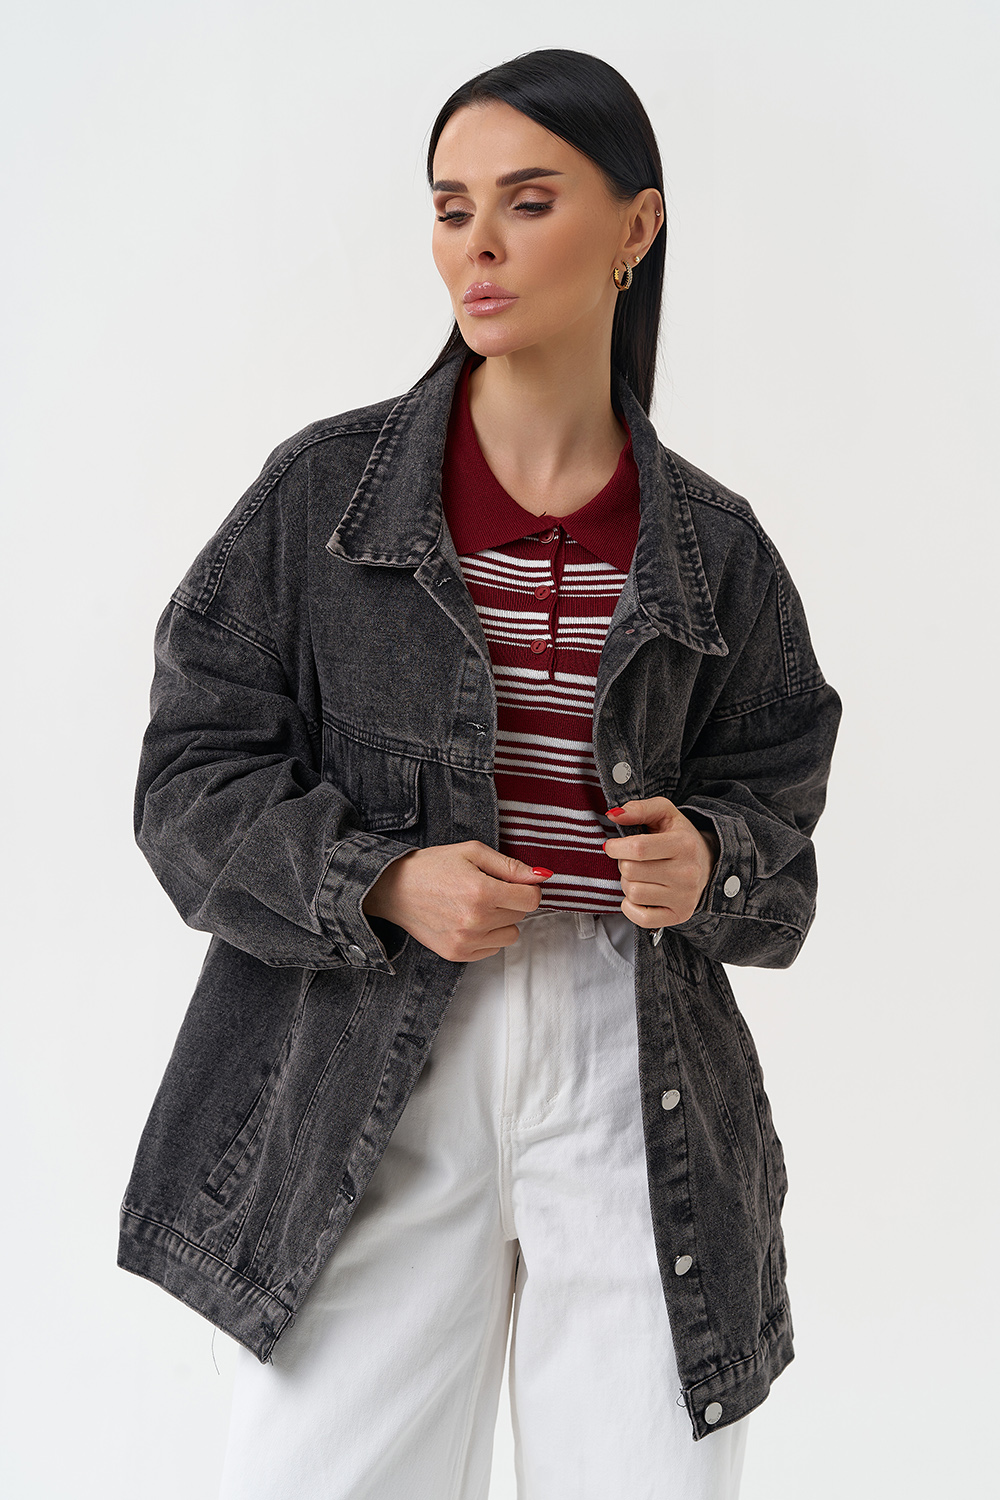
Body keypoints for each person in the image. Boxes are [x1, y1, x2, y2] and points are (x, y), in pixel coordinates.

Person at [119, 48, 841, 1500]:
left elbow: (781, 818)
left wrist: (711, 861)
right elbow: (189, 780)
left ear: (637, 227)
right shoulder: (323, 502)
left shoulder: (716, 549)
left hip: (634, 1074)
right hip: (368, 1057)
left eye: (528, 200)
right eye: (452, 209)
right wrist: (381, 879)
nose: (480, 246)